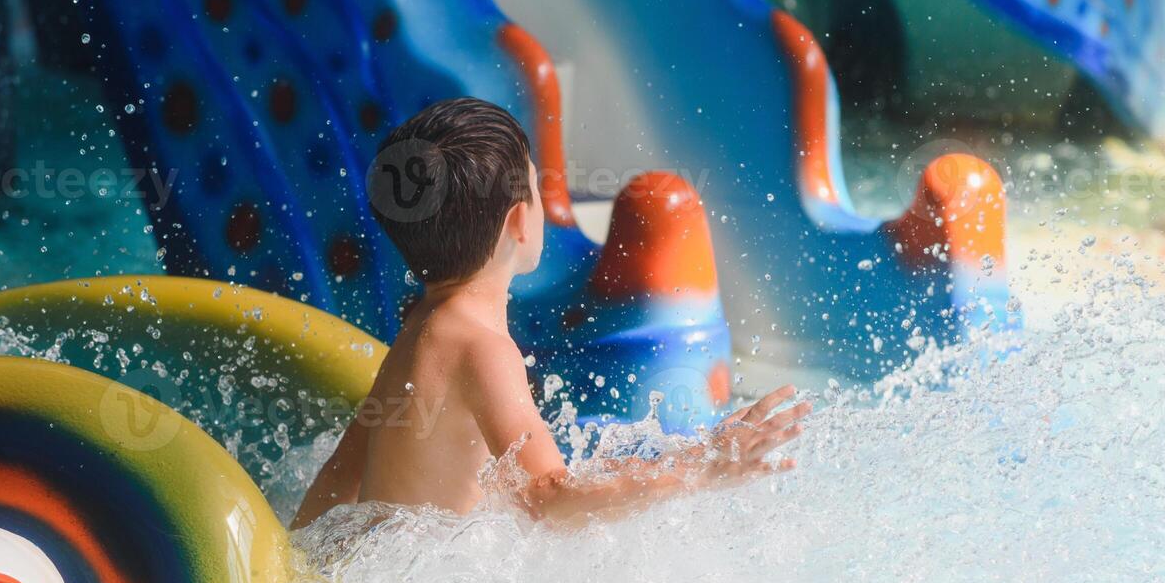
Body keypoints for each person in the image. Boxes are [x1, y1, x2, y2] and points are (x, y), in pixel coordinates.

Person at [293, 98, 809, 529]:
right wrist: (702, 469)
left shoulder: (419, 331)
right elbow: (550, 500)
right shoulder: (485, 352)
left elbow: (341, 473)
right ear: (520, 219)